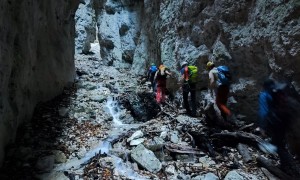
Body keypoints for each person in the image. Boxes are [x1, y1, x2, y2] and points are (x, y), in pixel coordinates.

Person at [258, 79, 299, 176]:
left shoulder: (264, 94)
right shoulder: (278, 90)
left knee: (278, 145)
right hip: (285, 119)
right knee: (281, 142)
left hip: (276, 121)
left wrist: (262, 127)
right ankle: (288, 164)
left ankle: (288, 167)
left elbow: (263, 112)